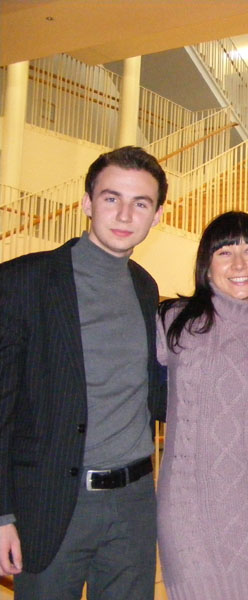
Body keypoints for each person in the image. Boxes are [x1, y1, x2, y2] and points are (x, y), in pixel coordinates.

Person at [0, 146, 167, 598]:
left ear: (156, 216)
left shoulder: (144, 286)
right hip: (53, 501)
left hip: (133, 501)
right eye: (112, 198)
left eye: (141, 203)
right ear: (87, 203)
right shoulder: (22, 281)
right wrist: (2, 515)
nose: (125, 214)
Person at [156, 211, 248, 599]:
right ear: (206, 264)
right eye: (225, 252)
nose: (239, 264)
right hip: (189, 512)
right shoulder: (173, 321)